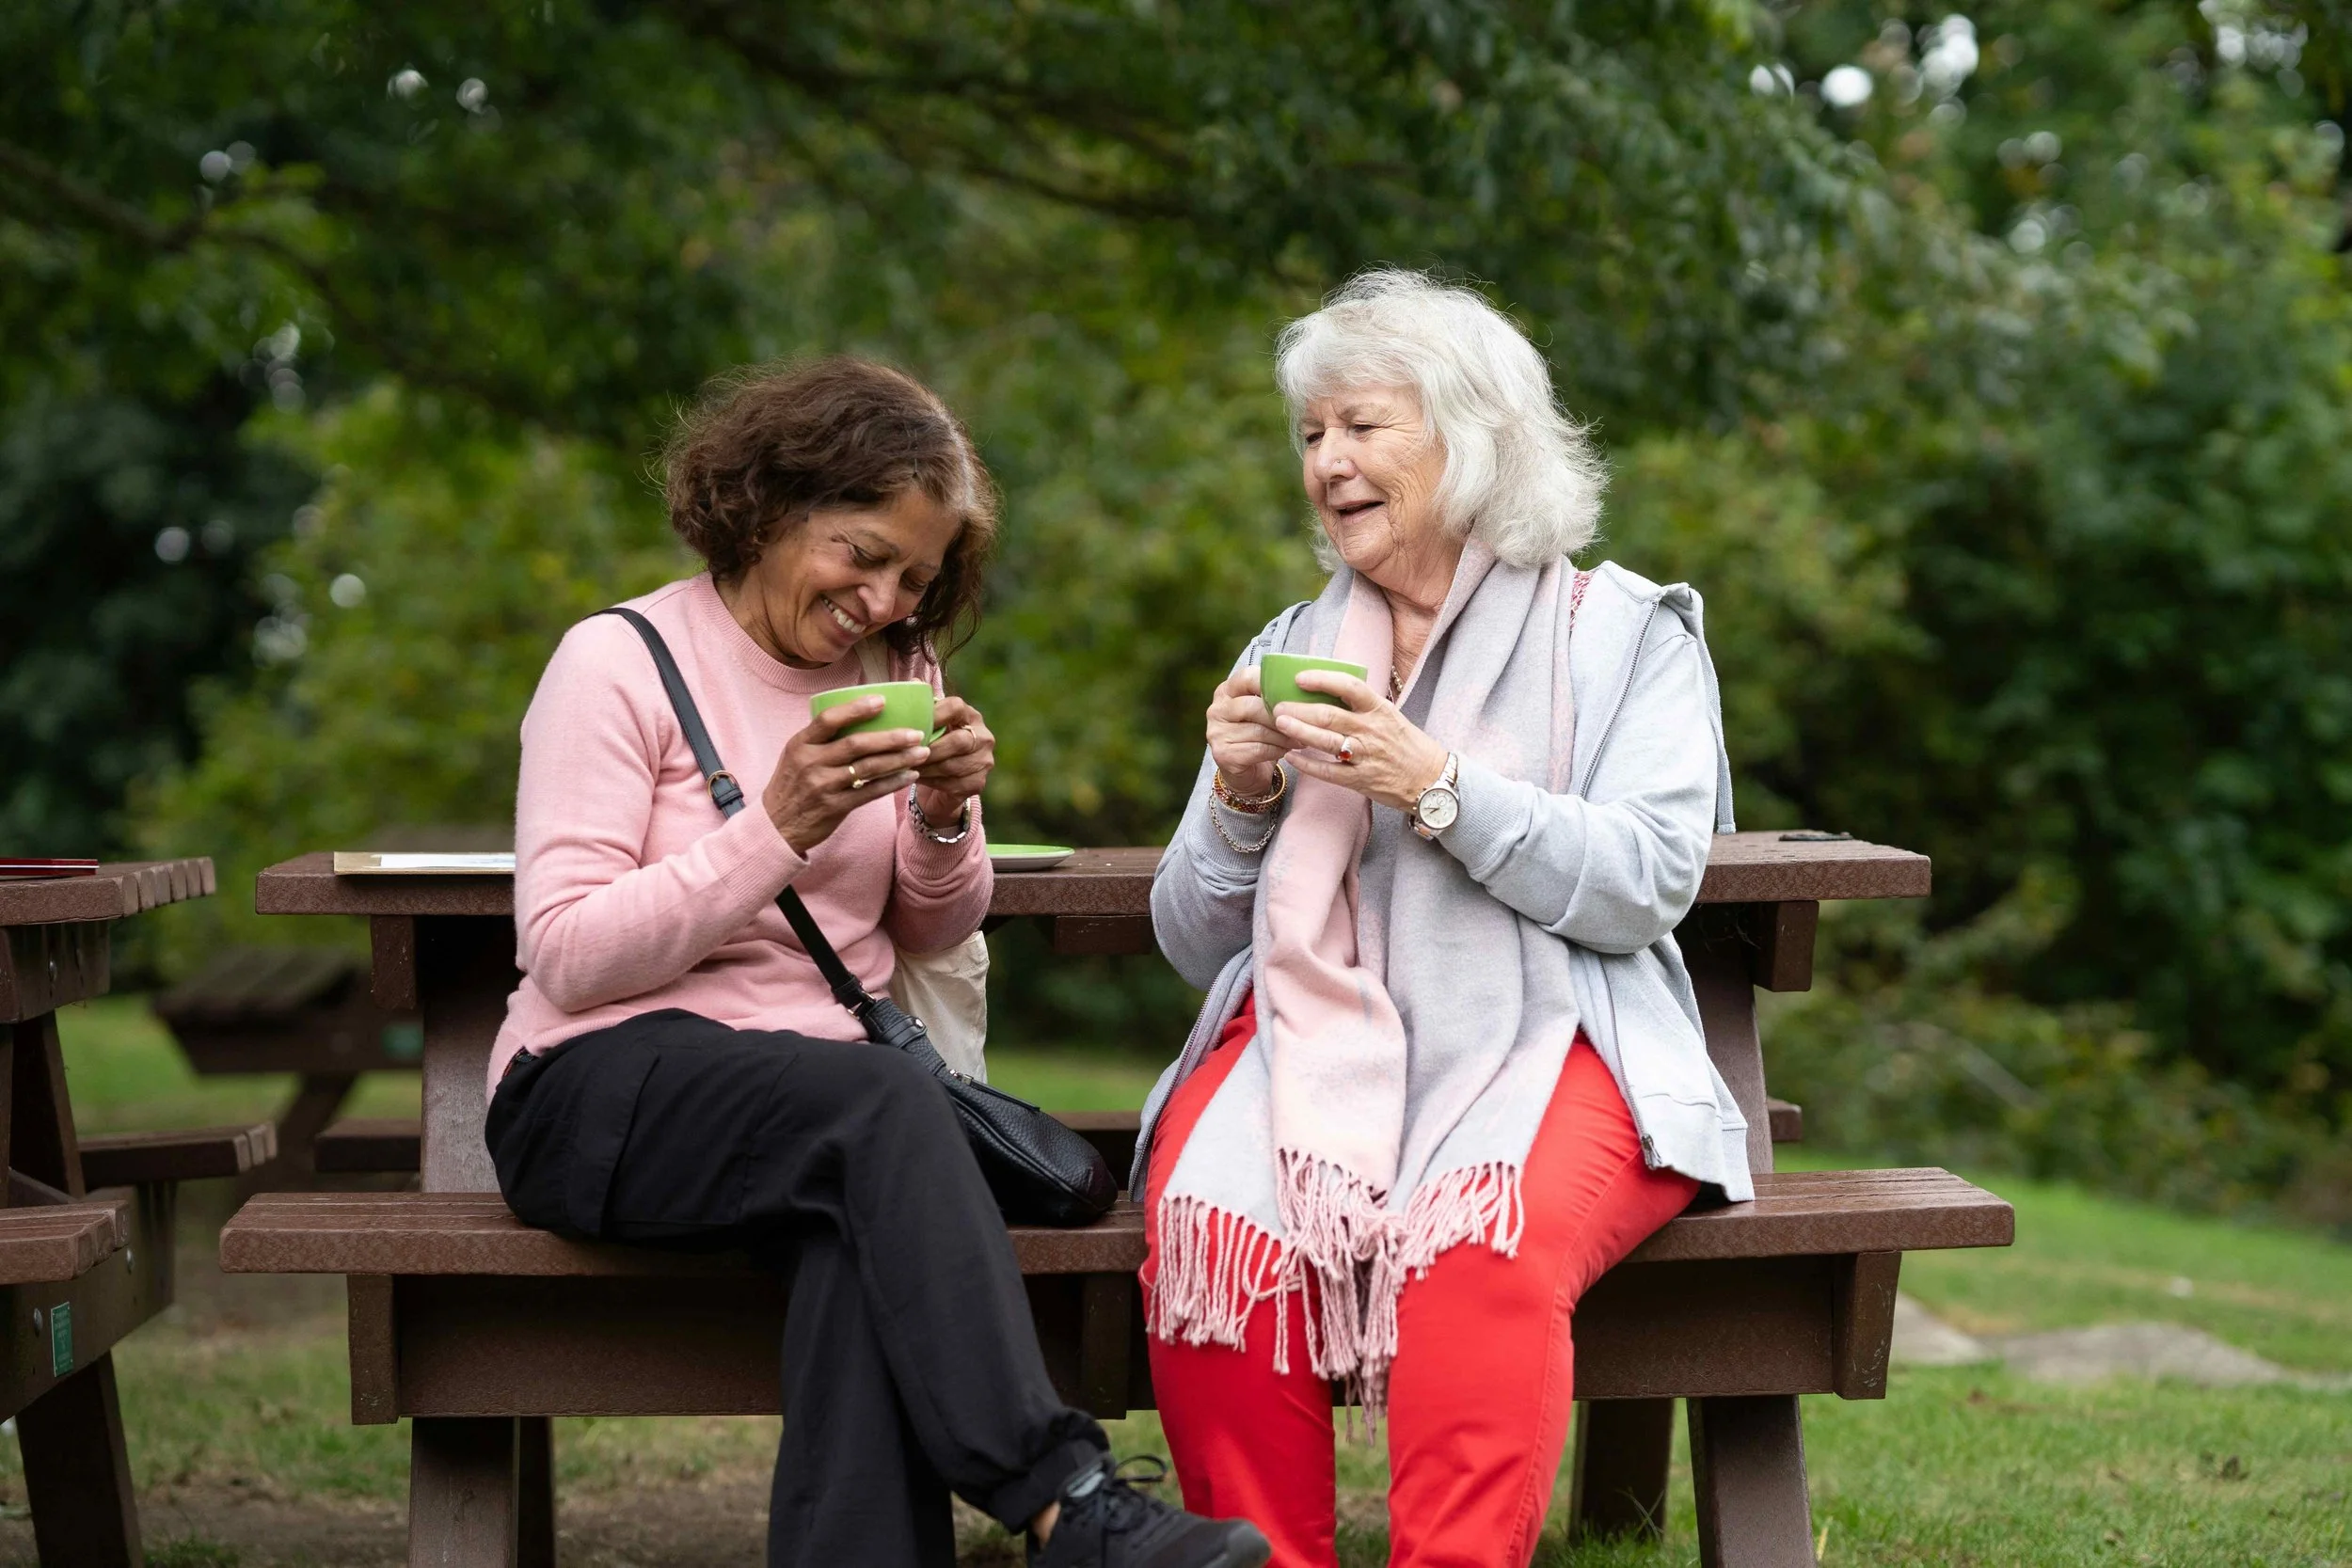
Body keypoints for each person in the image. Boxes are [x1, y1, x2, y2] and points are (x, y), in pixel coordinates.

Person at [485, 356, 1270, 1568]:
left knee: (858, 1233)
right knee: (874, 1110)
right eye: (861, 554)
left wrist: (949, 821)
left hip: (826, 1115)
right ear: (767, 505)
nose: (883, 600)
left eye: (914, 575)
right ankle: (1068, 1503)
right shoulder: (617, 664)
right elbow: (569, 952)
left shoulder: (895, 674)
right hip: (597, 1090)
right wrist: (777, 826)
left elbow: (927, 930)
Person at [1139, 272, 1752, 1568]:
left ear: (1470, 436)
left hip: (1558, 1033)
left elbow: (1647, 877)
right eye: (1312, 435)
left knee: (1476, 1253)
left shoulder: (1626, 634)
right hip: (1315, 1041)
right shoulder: (1295, 642)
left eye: (1363, 425)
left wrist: (1436, 788)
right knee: (1220, 1235)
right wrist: (1242, 794)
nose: (1328, 463)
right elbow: (1197, 940)